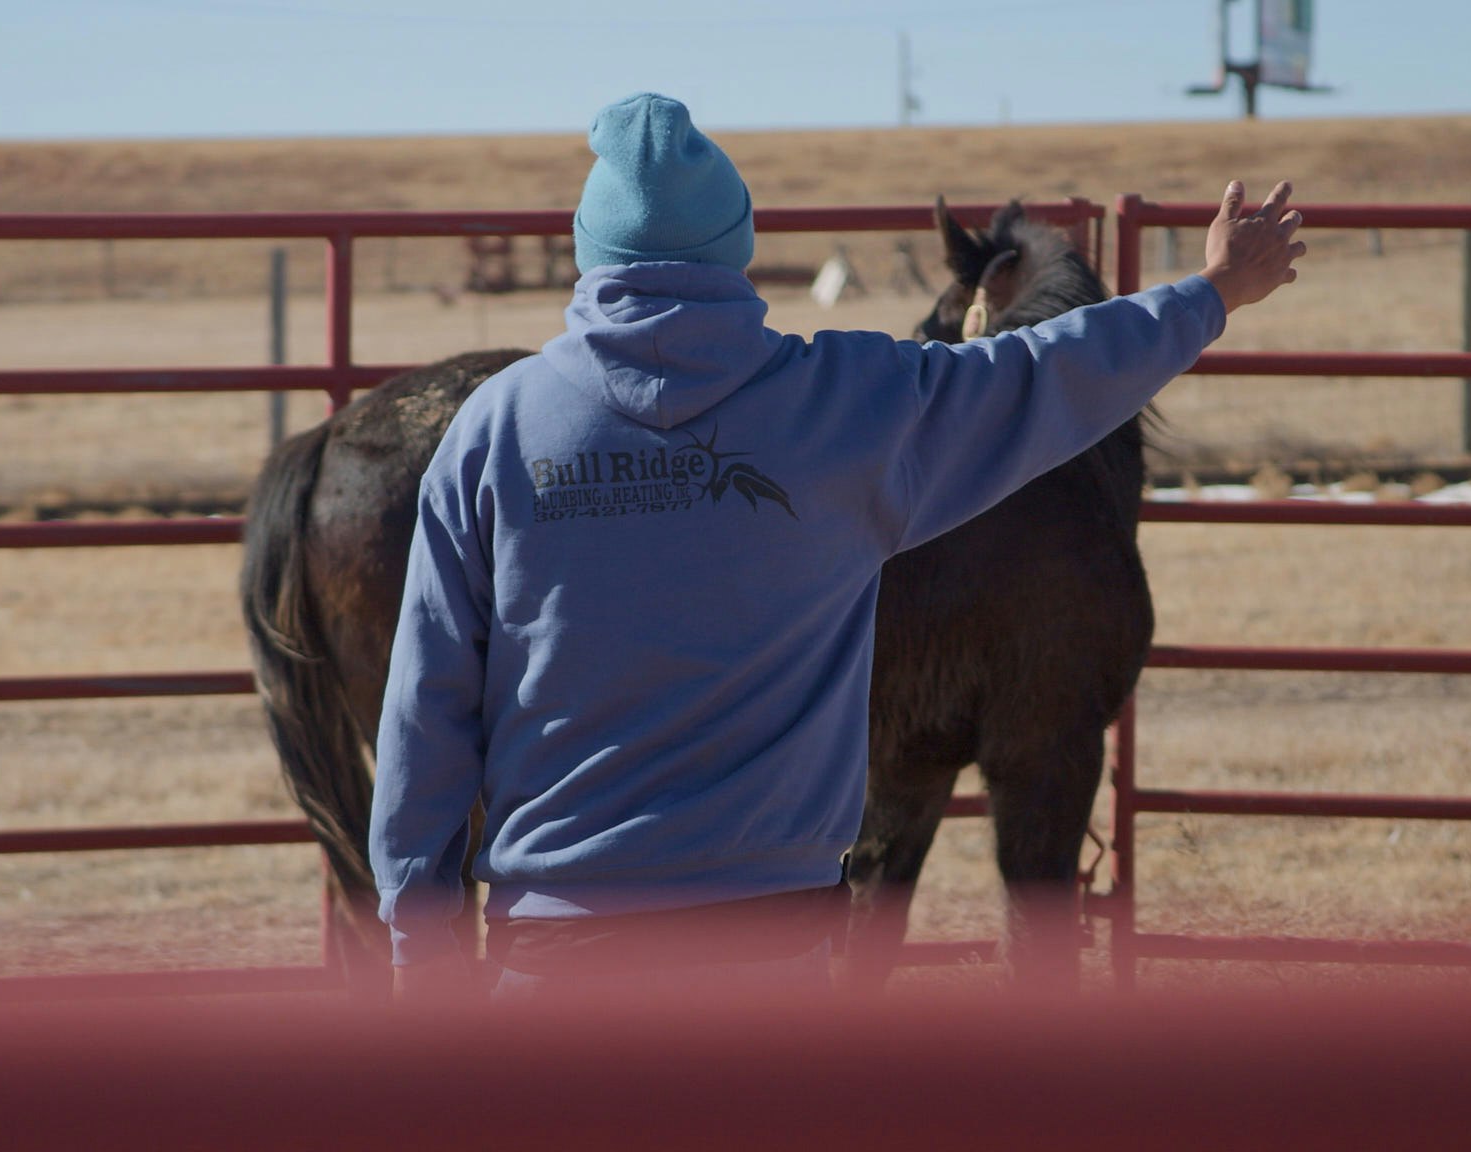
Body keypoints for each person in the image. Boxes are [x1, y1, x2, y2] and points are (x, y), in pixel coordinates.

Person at [371, 92, 1304, 1004]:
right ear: (735, 246)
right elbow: (1042, 371)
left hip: (557, 949)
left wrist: (425, 959)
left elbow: (426, 708)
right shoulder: (846, 402)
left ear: (592, 253)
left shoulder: (494, 432)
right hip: (770, 945)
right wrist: (1214, 291)